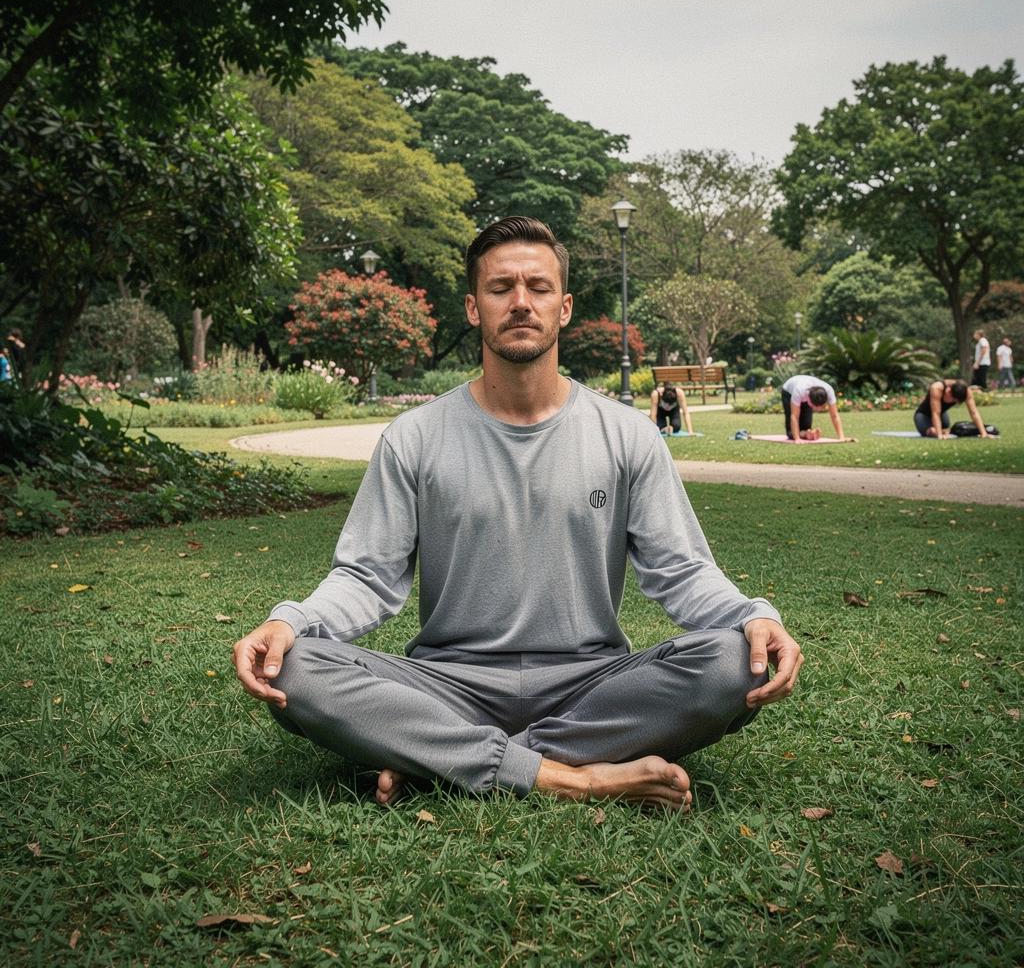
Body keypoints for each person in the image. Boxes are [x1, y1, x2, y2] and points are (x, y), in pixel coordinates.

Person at [233, 216, 802, 811]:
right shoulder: (415, 437)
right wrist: (291, 621)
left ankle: (444, 762)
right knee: (293, 669)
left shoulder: (629, 436)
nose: (521, 302)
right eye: (501, 288)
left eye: (539, 287)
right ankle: (574, 777)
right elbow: (366, 577)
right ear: (474, 308)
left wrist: (752, 613)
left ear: (566, 306)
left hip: (590, 685)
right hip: (447, 683)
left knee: (736, 662)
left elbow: (681, 571)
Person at [779, 374, 850, 443]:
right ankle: (801, 434)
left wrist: (841, 437)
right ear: (809, 400)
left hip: (805, 391)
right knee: (791, 432)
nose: (819, 410)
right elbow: (794, 416)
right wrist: (797, 439)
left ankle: (806, 433)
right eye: (815, 406)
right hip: (788, 391)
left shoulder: (829, 391)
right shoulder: (799, 391)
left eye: (822, 406)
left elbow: (834, 415)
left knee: (806, 428)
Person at [914, 379, 990, 438]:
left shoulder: (966, 391)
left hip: (941, 414)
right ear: (949, 391)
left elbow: (974, 412)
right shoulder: (936, 388)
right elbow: (935, 413)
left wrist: (983, 433)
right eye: (953, 399)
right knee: (933, 431)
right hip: (923, 415)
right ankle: (936, 430)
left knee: (945, 428)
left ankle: (942, 430)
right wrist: (939, 435)